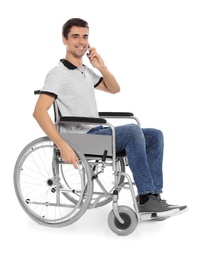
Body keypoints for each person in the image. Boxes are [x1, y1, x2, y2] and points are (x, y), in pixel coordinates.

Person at [33, 18, 187, 215]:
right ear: (64, 40)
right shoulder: (58, 73)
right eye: (75, 37)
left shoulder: (86, 72)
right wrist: (63, 145)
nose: (81, 41)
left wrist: (102, 67)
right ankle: (146, 197)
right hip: (81, 139)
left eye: (85, 37)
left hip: (98, 132)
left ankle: (153, 197)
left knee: (154, 135)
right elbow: (39, 112)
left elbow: (114, 89)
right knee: (132, 131)